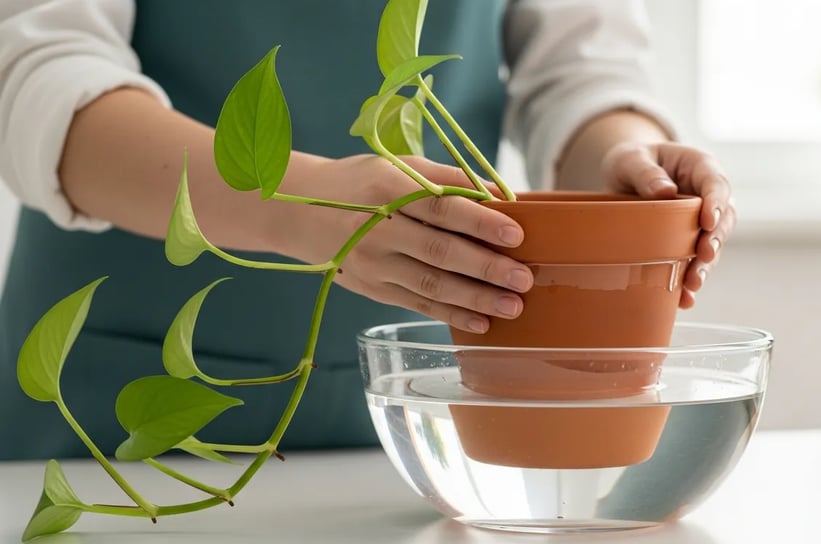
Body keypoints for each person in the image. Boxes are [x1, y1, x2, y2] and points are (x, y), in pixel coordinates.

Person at [0, 0, 735, 460]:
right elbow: (35, 73)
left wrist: (622, 158)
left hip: (423, 430)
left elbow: (581, 70)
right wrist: (301, 202)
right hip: (107, 425)